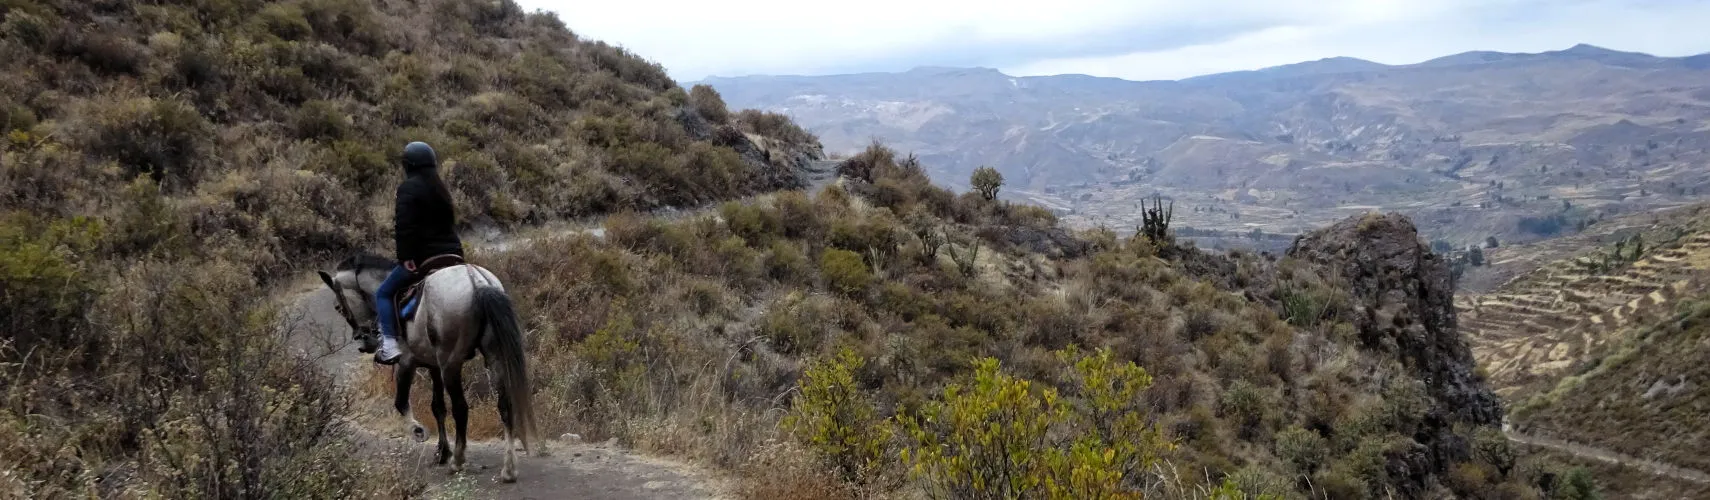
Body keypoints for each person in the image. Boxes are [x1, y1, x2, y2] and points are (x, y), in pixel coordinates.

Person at [374, 141, 465, 365]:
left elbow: (405, 227)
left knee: (384, 293)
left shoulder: (407, 188)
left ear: (408, 166)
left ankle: (389, 344)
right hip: (453, 255)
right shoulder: (441, 189)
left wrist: (406, 258)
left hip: (424, 257)